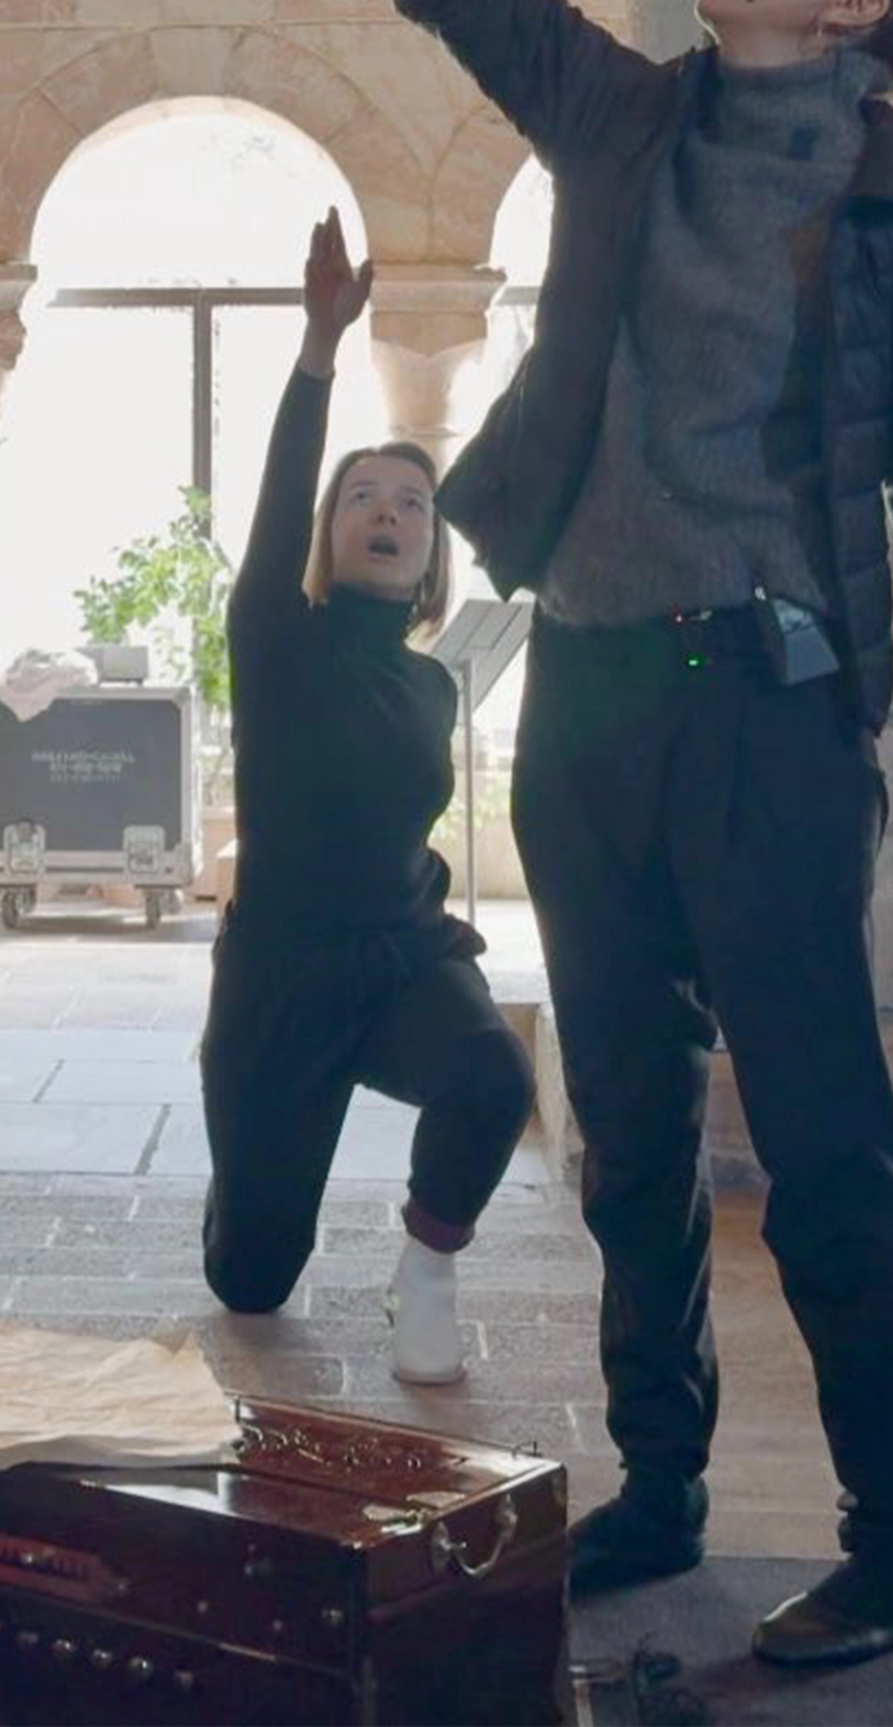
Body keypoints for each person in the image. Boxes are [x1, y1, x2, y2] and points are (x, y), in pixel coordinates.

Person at [280, 0, 893, 1679]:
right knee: (620, 1120)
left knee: (821, 1143)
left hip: (767, 710)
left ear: (858, 2)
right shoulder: (626, 115)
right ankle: (663, 1485)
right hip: (587, 683)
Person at [200, 205, 539, 1389]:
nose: (388, 510)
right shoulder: (275, 637)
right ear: (327, 533)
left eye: (410, 500)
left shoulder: (427, 681)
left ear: (433, 549)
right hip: (278, 977)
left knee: (496, 1075)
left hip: (400, 959)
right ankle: (254, 1184)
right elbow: (280, 489)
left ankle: (427, 1265)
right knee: (248, 1279)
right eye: (362, 499)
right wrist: (317, 348)